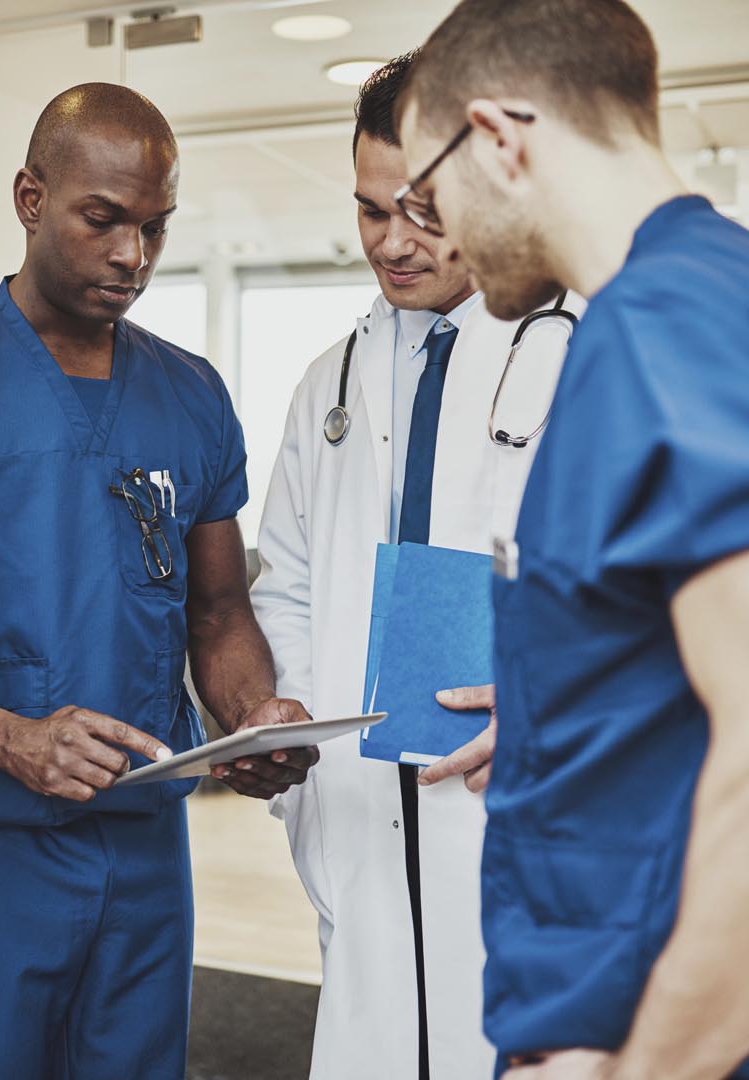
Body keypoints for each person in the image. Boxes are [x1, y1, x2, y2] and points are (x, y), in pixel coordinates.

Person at [0, 82, 316, 1079]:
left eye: (153, 227)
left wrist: (249, 717)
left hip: (147, 847)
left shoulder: (191, 393)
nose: (131, 255)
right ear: (29, 198)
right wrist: (9, 738)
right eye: (103, 220)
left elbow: (219, 614)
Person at [396, 1, 749, 1077]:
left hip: (646, 1030)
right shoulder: (714, 294)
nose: (436, 231)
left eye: (430, 189)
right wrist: (576, 691)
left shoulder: (663, 332)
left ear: (498, 137)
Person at [250, 53, 580, 1080]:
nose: (392, 243)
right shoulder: (331, 381)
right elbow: (288, 582)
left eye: (424, 213)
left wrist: (558, 703)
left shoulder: (585, 348)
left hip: (529, 819)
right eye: (368, 210)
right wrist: (290, 708)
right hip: (360, 829)